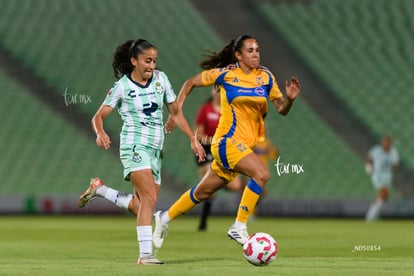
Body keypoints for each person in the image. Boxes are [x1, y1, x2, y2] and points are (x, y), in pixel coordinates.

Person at [153, 34, 301, 251]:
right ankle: (239, 226)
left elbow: (281, 109)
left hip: (243, 146)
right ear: (238, 55)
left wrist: (290, 99)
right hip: (226, 142)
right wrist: (176, 111)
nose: (255, 54)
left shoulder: (266, 77)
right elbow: (190, 83)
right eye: (250, 50)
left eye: (257, 49)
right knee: (262, 173)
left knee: (202, 192)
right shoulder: (226, 74)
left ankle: (164, 218)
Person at [77, 38, 205, 265]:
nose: (152, 66)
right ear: (134, 61)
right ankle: (145, 255)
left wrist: (193, 140)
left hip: (156, 149)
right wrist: (100, 132)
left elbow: (175, 113)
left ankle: (100, 190)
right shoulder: (122, 87)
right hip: (134, 145)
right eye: (147, 61)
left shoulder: (161, 80)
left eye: (154, 61)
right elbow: (98, 116)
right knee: (150, 197)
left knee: (141, 205)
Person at [194, 85, 243, 231]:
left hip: (224, 151)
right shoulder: (205, 109)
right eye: (216, 90)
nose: (218, 93)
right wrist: (213, 140)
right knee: (210, 184)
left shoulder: (230, 111)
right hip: (206, 150)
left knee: (235, 186)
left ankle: (213, 186)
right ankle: (203, 222)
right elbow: (199, 135)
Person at [365, 135, 399, 221]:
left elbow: (395, 164)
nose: (386, 144)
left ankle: (374, 213)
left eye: (388, 142)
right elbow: (369, 158)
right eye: (385, 142)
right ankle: (370, 216)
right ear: (382, 142)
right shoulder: (376, 150)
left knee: (384, 197)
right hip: (377, 175)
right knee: (383, 192)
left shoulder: (393, 151)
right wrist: (369, 167)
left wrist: (392, 167)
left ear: (390, 143)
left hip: (387, 176)